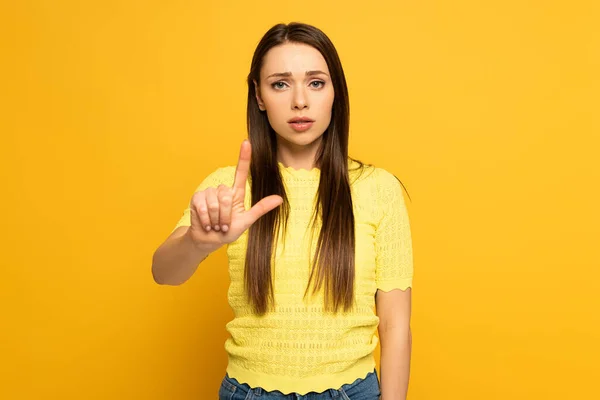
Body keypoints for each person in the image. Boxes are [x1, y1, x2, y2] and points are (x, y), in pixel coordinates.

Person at [152, 22, 413, 400]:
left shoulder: (378, 188)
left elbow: (395, 325)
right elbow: (164, 272)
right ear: (258, 96)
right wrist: (197, 241)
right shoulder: (229, 188)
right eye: (280, 84)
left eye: (316, 82)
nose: (300, 101)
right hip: (249, 393)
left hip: (352, 392)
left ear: (335, 92)